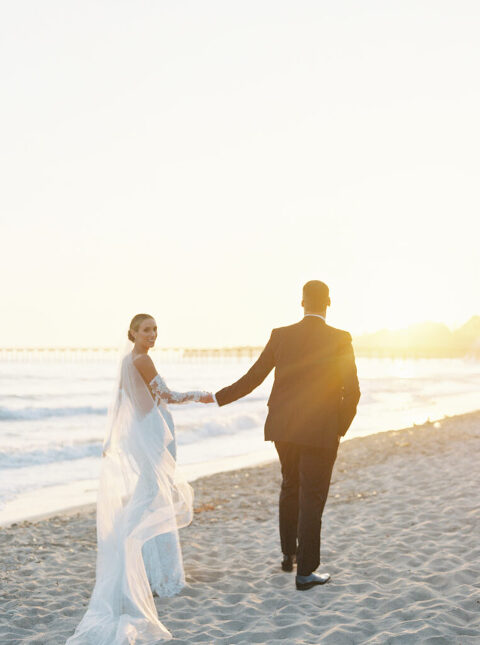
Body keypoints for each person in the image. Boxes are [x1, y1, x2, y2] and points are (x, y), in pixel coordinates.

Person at [66, 314, 214, 644]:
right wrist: (201, 394)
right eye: (146, 330)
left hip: (141, 431)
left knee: (150, 493)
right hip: (154, 431)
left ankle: (148, 567)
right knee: (151, 493)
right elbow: (169, 396)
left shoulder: (125, 361)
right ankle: (142, 563)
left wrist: (110, 441)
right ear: (132, 332)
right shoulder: (143, 360)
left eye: (155, 330)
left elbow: (119, 401)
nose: (152, 335)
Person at [214, 281, 360, 590]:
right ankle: (305, 572)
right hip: (320, 430)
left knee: (290, 485)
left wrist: (217, 397)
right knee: (312, 497)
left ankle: (288, 555)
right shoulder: (340, 338)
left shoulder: (281, 335)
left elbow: (253, 378)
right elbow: (353, 391)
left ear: (302, 302)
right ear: (329, 302)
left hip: (284, 427)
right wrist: (338, 428)